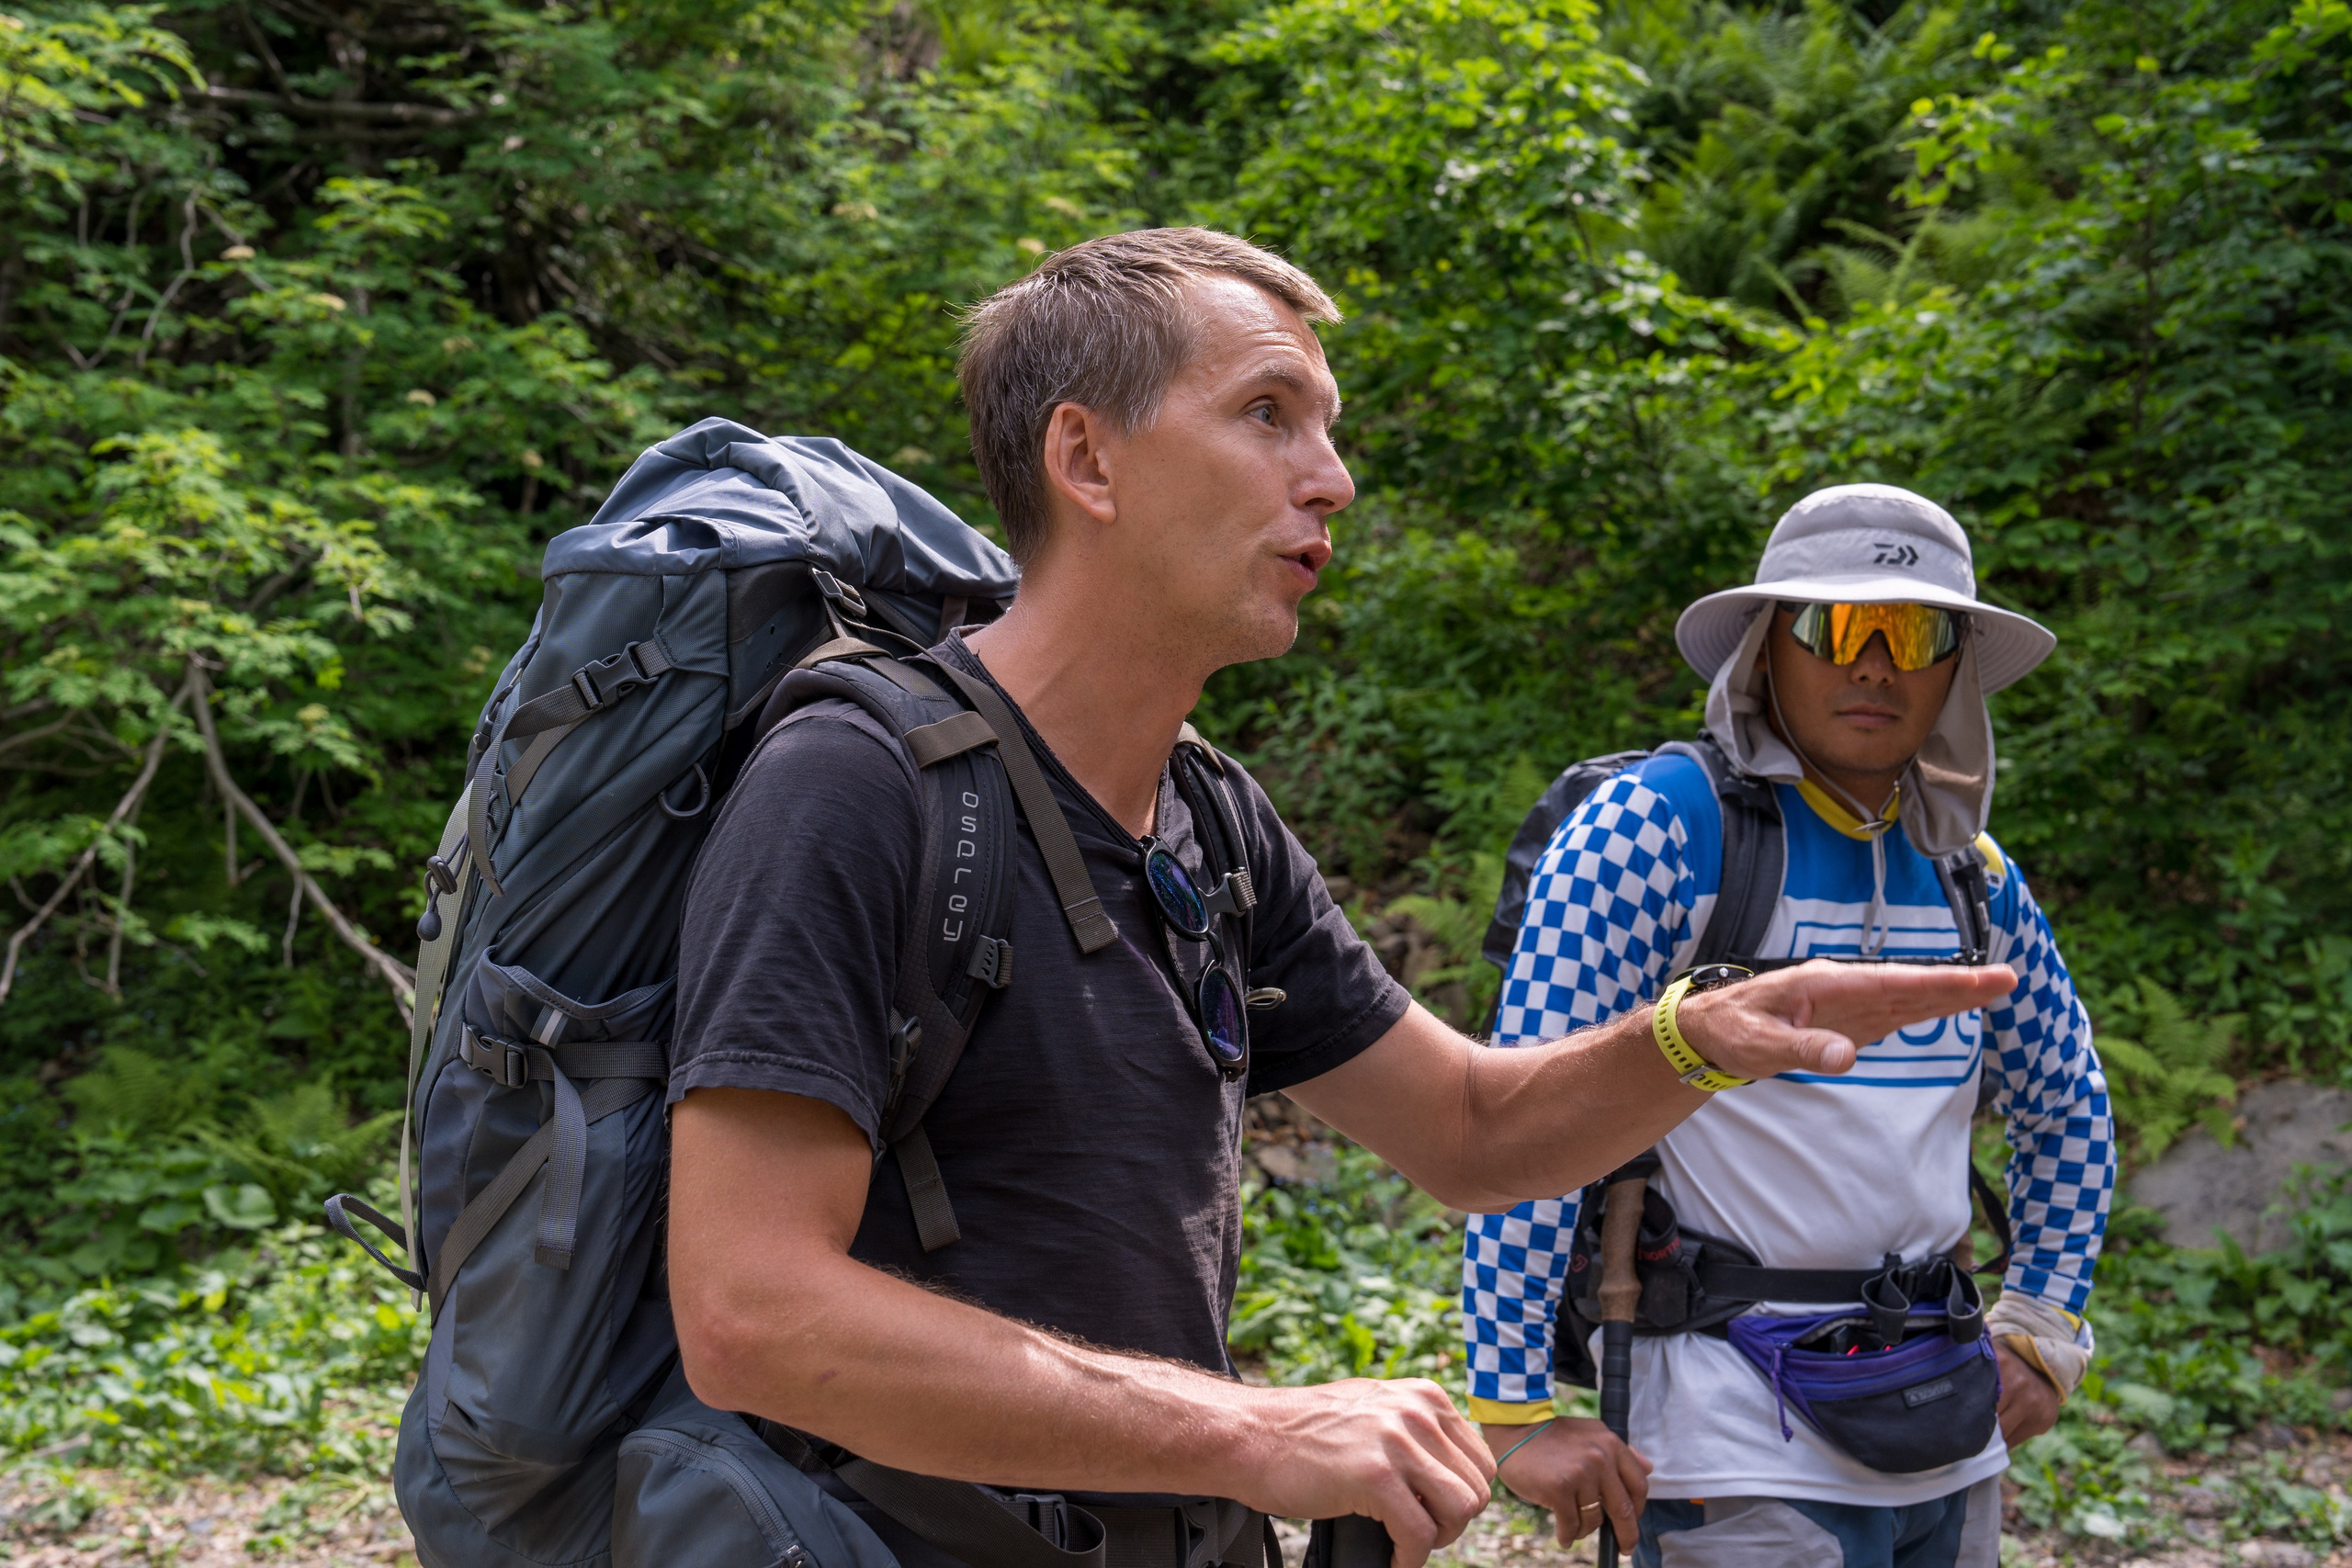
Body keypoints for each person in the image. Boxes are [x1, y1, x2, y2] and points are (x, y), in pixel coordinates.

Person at [663, 230, 2019, 1568]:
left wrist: (1695, 1036)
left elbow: (1473, 1129)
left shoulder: (1211, 817)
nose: (1337, 479)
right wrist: (1253, 1431)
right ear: (1086, 458)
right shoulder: (857, 782)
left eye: (1329, 426)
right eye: (1269, 414)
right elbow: (753, 1312)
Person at [1461, 486, 2114, 1568]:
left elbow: (2067, 1105)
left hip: (1948, 1429)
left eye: (1913, 633)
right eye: (1833, 625)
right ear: (1766, 648)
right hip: (1731, 1439)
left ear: (1954, 667)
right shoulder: (1659, 830)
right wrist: (1509, 1402)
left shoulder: (1974, 878)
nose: (1873, 663)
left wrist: (2043, 1325)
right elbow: (1526, 1114)